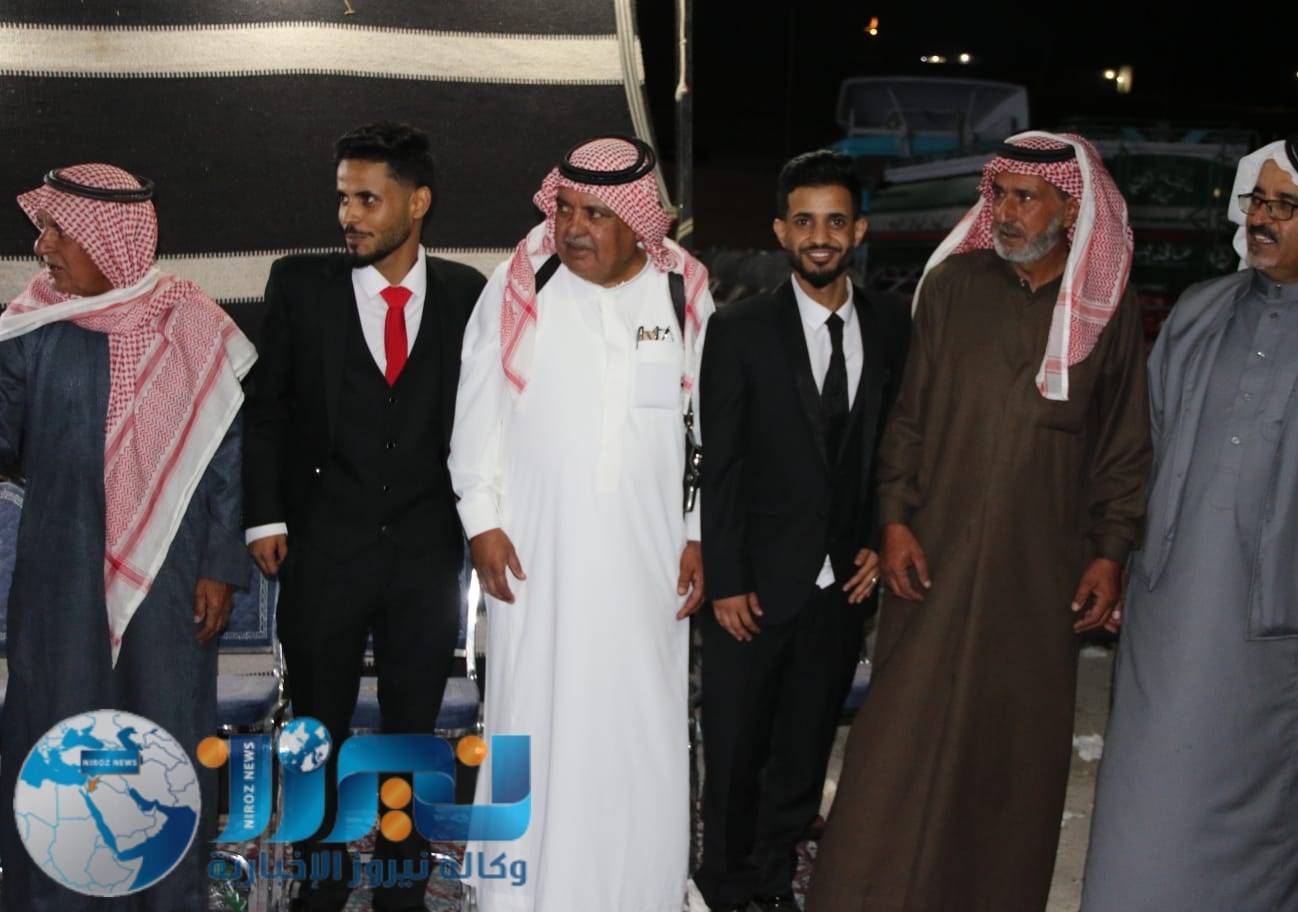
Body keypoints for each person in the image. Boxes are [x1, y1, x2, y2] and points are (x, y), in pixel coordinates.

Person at [806, 132, 1150, 912]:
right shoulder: (954, 285)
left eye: (1027, 197)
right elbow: (909, 418)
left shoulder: (1107, 310)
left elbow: (1124, 445)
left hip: (1041, 567)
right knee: (899, 736)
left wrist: (1110, 553)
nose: (1007, 210)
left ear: (1072, 209)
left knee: (1011, 750)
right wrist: (895, 520)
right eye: (1000, 194)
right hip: (935, 553)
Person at [1083, 131, 1298, 912]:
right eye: (1257, 202)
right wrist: (1115, 555)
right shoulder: (1200, 309)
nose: (1262, 219)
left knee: (1265, 809)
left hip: (1284, 618)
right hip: (1168, 608)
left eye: (1286, 206)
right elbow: (1143, 445)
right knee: (1147, 799)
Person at [448, 135, 714, 911]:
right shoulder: (521, 284)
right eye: (565, 208)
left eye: (596, 213)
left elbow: (707, 430)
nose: (572, 227)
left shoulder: (683, 291)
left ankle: (638, 893)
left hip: (648, 557)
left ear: (639, 221)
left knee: (641, 726)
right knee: (530, 719)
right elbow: (476, 415)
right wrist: (482, 521)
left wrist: (699, 531)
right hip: (537, 554)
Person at [0, 163, 256, 910]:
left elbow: (230, 456)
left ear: (109, 240)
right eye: (44, 229)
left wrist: (220, 566)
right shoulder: (30, 328)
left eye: (58, 230)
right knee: (58, 741)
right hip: (60, 577)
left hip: (171, 585)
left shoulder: (193, 324)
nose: (43, 246)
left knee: (163, 742)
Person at [243, 121, 485, 911]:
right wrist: (265, 518)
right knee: (318, 728)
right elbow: (267, 411)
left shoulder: (467, 294)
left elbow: (486, 420)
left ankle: (401, 885)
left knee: (412, 732)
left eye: (368, 199)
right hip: (322, 547)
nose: (349, 215)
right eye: (344, 197)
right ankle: (319, 882)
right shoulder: (298, 284)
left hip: (424, 553)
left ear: (418, 203)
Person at [695, 150, 909, 912]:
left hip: (840, 588)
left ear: (859, 231)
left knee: (804, 749)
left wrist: (881, 536)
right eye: (806, 222)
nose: (821, 237)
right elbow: (719, 464)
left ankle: (773, 881)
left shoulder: (892, 325)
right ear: (781, 231)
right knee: (734, 751)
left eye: (836, 221)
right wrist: (726, 580)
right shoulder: (739, 329)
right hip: (751, 589)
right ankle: (723, 887)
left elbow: (895, 447)